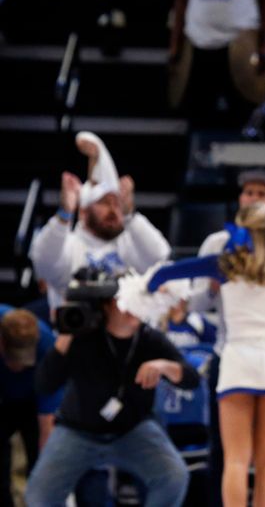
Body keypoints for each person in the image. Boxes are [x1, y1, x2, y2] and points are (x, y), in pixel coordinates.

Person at [147, 202, 265, 507]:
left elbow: (168, 273)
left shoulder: (221, 264)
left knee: (235, 460)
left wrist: (151, 287)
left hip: (237, 361)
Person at [189, 167, 265, 507]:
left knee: (236, 460)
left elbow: (174, 285)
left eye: (261, 194)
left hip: (239, 358)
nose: (254, 198)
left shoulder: (222, 253)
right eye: (249, 193)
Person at [25, 276, 199, 506]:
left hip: (133, 429)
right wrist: (65, 336)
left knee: (174, 476)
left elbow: (192, 379)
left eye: (136, 301)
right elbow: (44, 384)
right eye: (123, 302)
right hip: (77, 431)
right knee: (39, 495)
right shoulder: (83, 337)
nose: (131, 309)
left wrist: (165, 366)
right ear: (106, 305)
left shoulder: (149, 339)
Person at [30, 132, 170, 311]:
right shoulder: (71, 245)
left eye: (117, 204)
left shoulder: (129, 244)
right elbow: (42, 260)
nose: (113, 210)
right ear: (83, 211)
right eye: (104, 203)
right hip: (74, 332)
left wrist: (129, 216)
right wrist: (65, 214)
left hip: (127, 333)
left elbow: (159, 256)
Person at [169, 0, 265, 128]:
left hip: (241, 44)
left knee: (241, 114)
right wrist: (175, 44)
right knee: (197, 116)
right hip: (198, 40)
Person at [0, 307, 60, 507]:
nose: (18, 367)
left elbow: (47, 423)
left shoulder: (48, 346)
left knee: (41, 464)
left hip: (33, 400)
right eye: (13, 361)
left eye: (24, 363)